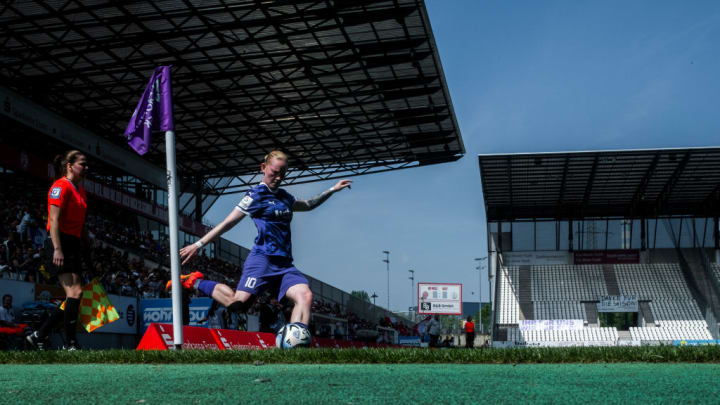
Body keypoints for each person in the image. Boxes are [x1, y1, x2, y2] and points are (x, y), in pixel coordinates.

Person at [168, 150, 351, 339]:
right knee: (238, 305)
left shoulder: (284, 197)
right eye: (275, 172)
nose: (279, 177)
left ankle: (295, 348)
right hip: (262, 260)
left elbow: (307, 205)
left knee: (305, 296)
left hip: (284, 265)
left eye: (283, 173)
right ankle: (194, 281)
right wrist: (198, 244)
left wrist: (331, 190)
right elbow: (227, 223)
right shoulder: (255, 195)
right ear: (263, 168)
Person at [27, 150, 89, 350]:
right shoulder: (60, 187)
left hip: (74, 243)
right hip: (59, 242)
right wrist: (57, 249)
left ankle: (39, 335)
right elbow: (53, 220)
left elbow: (81, 223)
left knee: (76, 294)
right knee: (73, 292)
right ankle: (69, 343)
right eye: (83, 164)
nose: (86, 168)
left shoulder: (80, 189)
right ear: (69, 166)